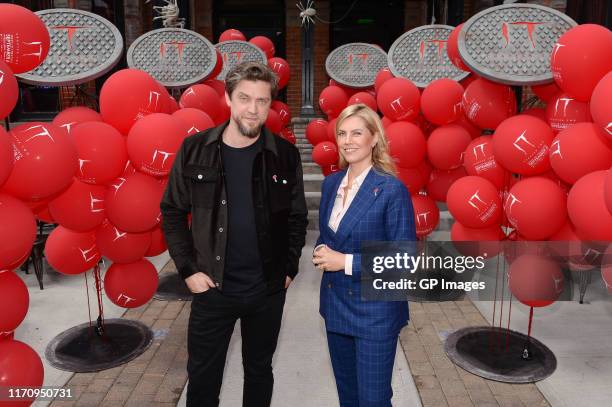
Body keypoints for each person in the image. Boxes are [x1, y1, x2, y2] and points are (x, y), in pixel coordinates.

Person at [160, 61, 308, 407]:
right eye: (245, 98)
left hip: (267, 291)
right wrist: (188, 270)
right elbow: (172, 211)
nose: (253, 109)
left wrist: (288, 269)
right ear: (228, 99)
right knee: (203, 379)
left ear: (270, 104)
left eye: (262, 101)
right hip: (212, 289)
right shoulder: (195, 149)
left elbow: (297, 217)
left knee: (259, 372)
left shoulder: (284, 155)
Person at [312, 103, 416, 406]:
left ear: (374, 138)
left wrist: (343, 262)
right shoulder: (331, 184)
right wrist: (321, 248)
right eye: (342, 133)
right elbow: (328, 234)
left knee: (373, 399)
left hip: (375, 313)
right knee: (348, 396)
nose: (348, 140)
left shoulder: (390, 190)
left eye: (357, 133)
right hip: (335, 306)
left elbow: (404, 260)